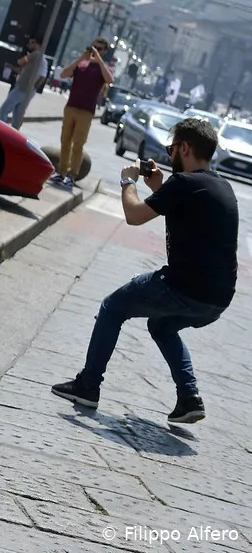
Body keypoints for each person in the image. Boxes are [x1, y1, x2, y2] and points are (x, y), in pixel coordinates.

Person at [52, 118, 238, 424]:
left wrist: (128, 183)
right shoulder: (218, 185)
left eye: (171, 147)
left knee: (113, 307)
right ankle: (189, 398)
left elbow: (134, 216)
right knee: (161, 326)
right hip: (217, 299)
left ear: (185, 148)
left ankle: (87, 385)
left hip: (184, 288)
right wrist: (159, 188)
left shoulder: (184, 184)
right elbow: (186, 218)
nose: (168, 154)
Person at [51, 37, 113, 190]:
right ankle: (61, 172)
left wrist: (98, 59)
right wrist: (81, 58)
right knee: (65, 141)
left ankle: (72, 176)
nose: (95, 50)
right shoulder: (82, 63)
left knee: (78, 144)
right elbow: (64, 74)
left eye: (99, 49)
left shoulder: (102, 67)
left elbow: (109, 80)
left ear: (104, 52)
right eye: (93, 47)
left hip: (86, 111)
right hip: (71, 106)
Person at [0, 37, 42, 129]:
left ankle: (1, 130)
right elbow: (22, 70)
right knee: (17, 115)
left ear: (37, 44)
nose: (29, 45)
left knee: (4, 110)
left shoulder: (35, 55)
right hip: (28, 89)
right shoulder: (38, 58)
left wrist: (24, 56)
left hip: (22, 87)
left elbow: (20, 62)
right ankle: (14, 135)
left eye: (31, 43)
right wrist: (12, 67)